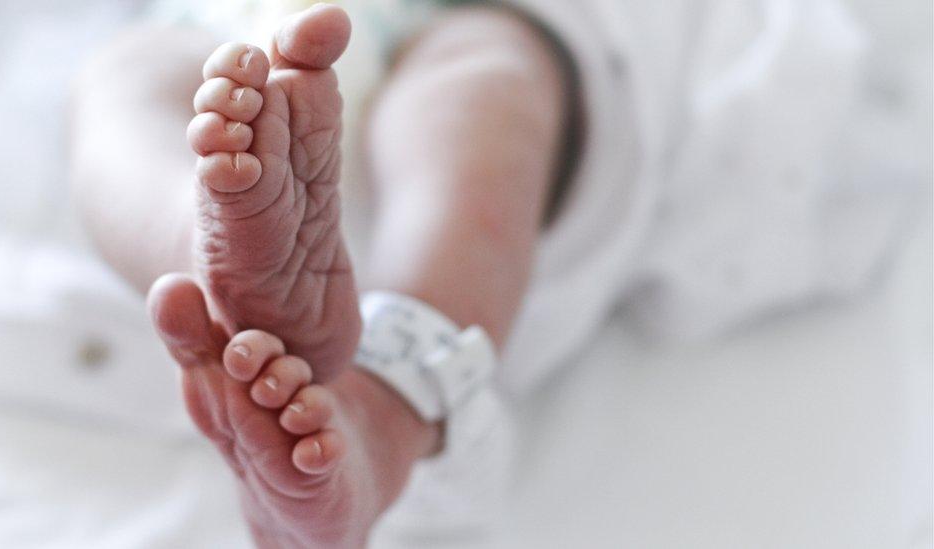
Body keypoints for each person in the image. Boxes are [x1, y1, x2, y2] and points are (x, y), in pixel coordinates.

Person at [67, 0, 923, 547]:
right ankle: (219, 243)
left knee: (485, 82)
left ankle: (377, 391)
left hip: (475, 33)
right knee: (123, 82)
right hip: (237, 43)